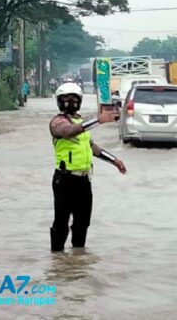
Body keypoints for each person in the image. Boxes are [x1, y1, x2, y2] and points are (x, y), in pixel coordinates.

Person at [49, 82, 127, 252]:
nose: (70, 102)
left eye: (74, 98)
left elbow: (92, 147)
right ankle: (57, 261)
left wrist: (114, 160)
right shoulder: (57, 122)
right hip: (65, 179)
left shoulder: (81, 122)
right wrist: (98, 120)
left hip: (84, 179)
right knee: (61, 223)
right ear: (59, 101)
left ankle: (77, 261)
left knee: (82, 223)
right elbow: (69, 131)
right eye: (66, 99)